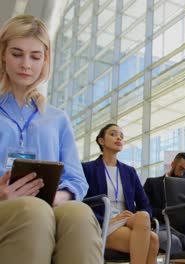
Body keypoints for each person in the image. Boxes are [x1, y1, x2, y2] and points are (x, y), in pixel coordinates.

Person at [0, 15, 102, 263]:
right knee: (33, 211)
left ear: (45, 60)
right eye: (17, 54)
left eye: (35, 57)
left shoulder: (57, 119)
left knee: (78, 213)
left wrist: (58, 197)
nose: (26, 64)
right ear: (3, 54)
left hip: (49, 206)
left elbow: (76, 179)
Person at [83, 123, 159, 264]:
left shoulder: (129, 171)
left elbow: (145, 204)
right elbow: (82, 203)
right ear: (101, 141)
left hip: (127, 221)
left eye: (121, 136)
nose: (118, 138)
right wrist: (107, 220)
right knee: (152, 240)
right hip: (104, 223)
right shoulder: (88, 169)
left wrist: (134, 218)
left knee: (143, 215)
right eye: (113, 134)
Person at [144, 152, 185, 224]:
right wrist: (165, 212)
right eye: (181, 168)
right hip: (160, 224)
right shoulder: (152, 183)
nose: (182, 174)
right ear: (173, 164)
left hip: (182, 227)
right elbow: (144, 208)